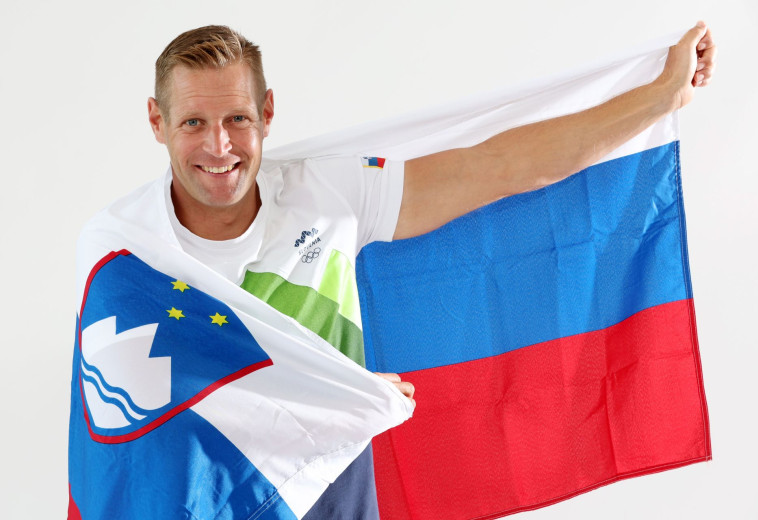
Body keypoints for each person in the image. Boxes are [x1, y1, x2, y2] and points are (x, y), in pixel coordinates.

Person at [89, 22, 716, 519]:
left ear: (269, 113)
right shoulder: (125, 249)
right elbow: (123, 422)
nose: (220, 147)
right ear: (157, 121)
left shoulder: (330, 192)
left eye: (238, 120)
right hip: (204, 498)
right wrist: (329, 389)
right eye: (194, 122)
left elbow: (500, 167)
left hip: (334, 491)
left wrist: (658, 97)